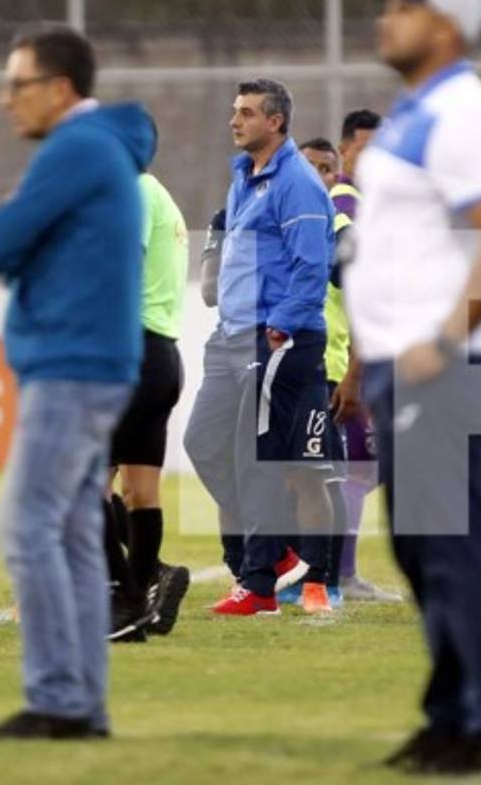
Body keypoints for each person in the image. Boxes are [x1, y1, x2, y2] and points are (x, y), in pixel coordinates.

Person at [346, 0, 481, 774]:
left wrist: (444, 341)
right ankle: (451, 716)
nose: (387, 19)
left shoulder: (457, 110)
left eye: (405, 7)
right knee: (422, 549)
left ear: (447, 25)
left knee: (454, 547)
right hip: (398, 362)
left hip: (435, 367)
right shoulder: (415, 113)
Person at [0, 24, 153, 739]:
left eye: (17, 84)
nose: (4, 100)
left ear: (58, 88)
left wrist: (20, 224)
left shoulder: (75, 148)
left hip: (72, 366)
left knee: (26, 526)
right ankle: (79, 704)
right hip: (96, 363)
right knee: (76, 536)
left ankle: (55, 699)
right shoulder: (102, 147)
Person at [184, 78, 336, 616]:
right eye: (234, 111)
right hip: (231, 335)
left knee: (259, 460)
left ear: (275, 122)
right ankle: (276, 551)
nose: (235, 120)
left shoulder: (295, 181)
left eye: (247, 112)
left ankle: (259, 586)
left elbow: (312, 262)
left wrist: (284, 324)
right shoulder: (244, 177)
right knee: (203, 443)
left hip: (274, 338)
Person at [304, 117, 404, 604]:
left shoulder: (362, 205)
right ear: (347, 150)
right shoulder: (345, 205)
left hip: (346, 352)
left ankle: (326, 571)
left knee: (356, 466)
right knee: (353, 467)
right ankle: (334, 574)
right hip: (338, 355)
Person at [102, 170, 191, 642]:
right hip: (161, 352)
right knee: (140, 491)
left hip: (129, 349)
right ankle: (136, 601)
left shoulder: (132, 189)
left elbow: (122, 262)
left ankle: (128, 596)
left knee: (82, 482)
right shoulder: (162, 194)